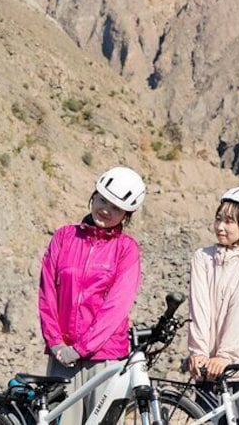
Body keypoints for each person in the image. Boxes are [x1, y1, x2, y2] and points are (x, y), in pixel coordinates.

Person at [37, 166, 146, 425]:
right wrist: (55, 342)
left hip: (104, 358)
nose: (105, 210)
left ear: (126, 215)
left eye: (116, 209)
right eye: (102, 200)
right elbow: (47, 293)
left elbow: (116, 307)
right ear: (93, 196)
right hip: (62, 356)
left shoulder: (126, 249)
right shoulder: (64, 236)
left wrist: (81, 348)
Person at [187, 186, 239, 425]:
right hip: (209, 371)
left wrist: (225, 356)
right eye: (218, 219)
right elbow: (198, 308)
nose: (220, 227)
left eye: (230, 222)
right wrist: (199, 353)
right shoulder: (202, 257)